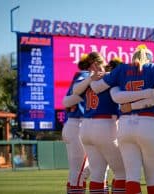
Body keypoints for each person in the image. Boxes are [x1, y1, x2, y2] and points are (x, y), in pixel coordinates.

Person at [90, 44, 154, 194]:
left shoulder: (121, 69)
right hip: (149, 123)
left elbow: (97, 88)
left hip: (125, 125)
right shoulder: (153, 68)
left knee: (132, 177)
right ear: (150, 58)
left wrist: (92, 78)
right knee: (152, 178)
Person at [73, 52, 127, 194]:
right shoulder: (109, 77)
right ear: (98, 64)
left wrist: (90, 78)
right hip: (104, 125)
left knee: (97, 173)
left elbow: (75, 90)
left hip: (86, 127)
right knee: (122, 172)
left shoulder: (86, 77)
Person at [62, 54, 90, 194]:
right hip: (78, 124)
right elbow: (70, 98)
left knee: (76, 172)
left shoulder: (80, 75)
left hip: (73, 124)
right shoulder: (84, 75)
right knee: (82, 171)